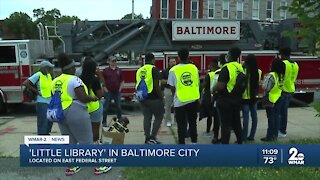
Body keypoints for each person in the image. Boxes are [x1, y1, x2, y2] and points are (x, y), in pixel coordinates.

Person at [52, 53, 98, 176]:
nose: (75, 69)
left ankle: (71, 166)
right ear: (70, 68)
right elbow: (82, 97)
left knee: (69, 141)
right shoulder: (74, 79)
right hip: (75, 110)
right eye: (73, 67)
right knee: (86, 140)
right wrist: (92, 98)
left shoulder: (55, 80)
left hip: (60, 112)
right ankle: (99, 166)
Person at [79, 57, 112, 175]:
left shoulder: (78, 79)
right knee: (95, 135)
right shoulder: (94, 79)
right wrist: (100, 78)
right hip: (94, 108)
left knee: (83, 134)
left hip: (82, 109)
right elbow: (100, 95)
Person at [212, 47, 244, 144]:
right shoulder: (239, 67)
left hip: (225, 100)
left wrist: (213, 89)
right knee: (237, 122)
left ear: (229, 55)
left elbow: (221, 86)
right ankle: (240, 141)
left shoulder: (226, 68)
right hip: (237, 99)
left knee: (225, 125)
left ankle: (225, 146)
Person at [168, 48, 200, 144]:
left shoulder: (173, 70)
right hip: (193, 100)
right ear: (188, 56)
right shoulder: (194, 68)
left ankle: (182, 146)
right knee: (193, 124)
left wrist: (175, 96)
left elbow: (172, 87)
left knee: (181, 126)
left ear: (178, 57)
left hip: (180, 101)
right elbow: (197, 83)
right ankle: (194, 143)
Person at [136, 53, 164, 144]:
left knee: (147, 117)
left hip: (142, 97)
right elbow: (156, 85)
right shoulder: (154, 69)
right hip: (154, 97)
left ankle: (147, 138)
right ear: (153, 60)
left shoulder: (140, 70)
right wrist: (161, 97)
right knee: (159, 117)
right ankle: (153, 137)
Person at [23, 60, 54, 135]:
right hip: (42, 102)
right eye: (48, 68)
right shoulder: (38, 75)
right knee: (43, 122)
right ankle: (42, 138)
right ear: (43, 68)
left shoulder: (48, 76)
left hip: (49, 101)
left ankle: (46, 135)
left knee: (49, 121)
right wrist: (37, 92)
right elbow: (26, 83)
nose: (50, 69)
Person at [261, 59, 285, 141]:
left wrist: (263, 82)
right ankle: (275, 135)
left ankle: (269, 136)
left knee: (271, 118)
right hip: (279, 97)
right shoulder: (281, 75)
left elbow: (265, 87)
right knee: (276, 117)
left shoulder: (271, 75)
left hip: (271, 98)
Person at [278, 47, 299, 137]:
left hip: (283, 90)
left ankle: (282, 131)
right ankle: (282, 130)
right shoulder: (295, 64)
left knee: (280, 112)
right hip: (291, 89)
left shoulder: (283, 64)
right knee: (284, 111)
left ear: (282, 54)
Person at [241, 54, 262, 142]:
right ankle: (252, 136)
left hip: (245, 97)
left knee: (245, 118)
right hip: (254, 97)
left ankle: (244, 137)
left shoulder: (244, 71)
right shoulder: (259, 71)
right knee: (254, 117)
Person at [102, 56, 124, 127]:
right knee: (106, 107)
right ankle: (104, 122)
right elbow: (102, 81)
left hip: (117, 92)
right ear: (108, 62)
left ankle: (119, 121)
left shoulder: (119, 70)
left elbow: (122, 81)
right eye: (112, 61)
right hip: (108, 92)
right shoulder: (105, 70)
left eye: (115, 61)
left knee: (118, 107)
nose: (114, 62)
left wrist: (120, 89)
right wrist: (105, 89)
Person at [208, 59, 222, 143]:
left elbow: (213, 87)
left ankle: (216, 137)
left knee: (216, 118)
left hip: (218, 98)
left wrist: (212, 92)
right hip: (232, 98)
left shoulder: (217, 73)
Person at [161, 58, 176, 127]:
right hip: (168, 89)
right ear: (168, 63)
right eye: (171, 62)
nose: (173, 63)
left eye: (174, 61)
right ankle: (168, 121)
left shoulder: (178, 70)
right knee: (168, 106)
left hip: (177, 90)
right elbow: (162, 81)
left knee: (177, 106)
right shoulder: (165, 71)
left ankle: (177, 121)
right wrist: (170, 81)